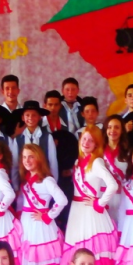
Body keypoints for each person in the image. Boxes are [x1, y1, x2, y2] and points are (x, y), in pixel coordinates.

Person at [62, 126, 119, 265]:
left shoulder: (97, 162)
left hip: (91, 213)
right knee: (77, 253)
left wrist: (99, 203)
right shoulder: (77, 161)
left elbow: (112, 185)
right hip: (77, 211)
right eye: (84, 139)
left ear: (96, 144)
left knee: (93, 253)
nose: (86, 143)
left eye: (91, 140)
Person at [19, 144, 67, 265]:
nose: (27, 161)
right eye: (24, 157)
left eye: (31, 157)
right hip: (28, 224)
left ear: (39, 158)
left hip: (42, 228)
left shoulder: (46, 180)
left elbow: (62, 200)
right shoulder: (28, 179)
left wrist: (47, 215)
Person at [43, 89, 79, 231]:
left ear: (60, 106)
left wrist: (69, 168)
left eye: (56, 105)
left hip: (64, 172)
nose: (53, 108)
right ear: (45, 105)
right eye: (50, 104)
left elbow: (73, 148)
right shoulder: (40, 126)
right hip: (46, 173)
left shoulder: (67, 124)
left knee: (64, 204)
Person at [14, 100, 59, 180]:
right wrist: (16, 186)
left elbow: (53, 162)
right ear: (23, 118)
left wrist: (54, 181)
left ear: (39, 117)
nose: (30, 118)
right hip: (25, 182)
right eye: (27, 115)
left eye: (34, 115)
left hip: (44, 180)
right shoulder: (18, 140)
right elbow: (15, 165)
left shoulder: (47, 137)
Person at [103, 114, 129, 226]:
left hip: (122, 195)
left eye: (117, 127)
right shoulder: (98, 151)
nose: (112, 130)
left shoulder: (128, 152)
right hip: (103, 194)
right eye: (110, 127)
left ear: (122, 130)